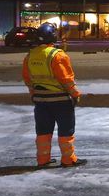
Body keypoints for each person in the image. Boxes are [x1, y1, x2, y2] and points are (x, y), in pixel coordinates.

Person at [22, 22, 86, 168]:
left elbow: (28, 78)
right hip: (61, 100)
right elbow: (66, 79)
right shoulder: (57, 55)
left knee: (43, 131)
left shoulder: (30, 55)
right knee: (66, 131)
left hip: (40, 101)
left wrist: (34, 94)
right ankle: (68, 160)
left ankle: (43, 160)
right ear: (53, 36)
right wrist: (75, 94)